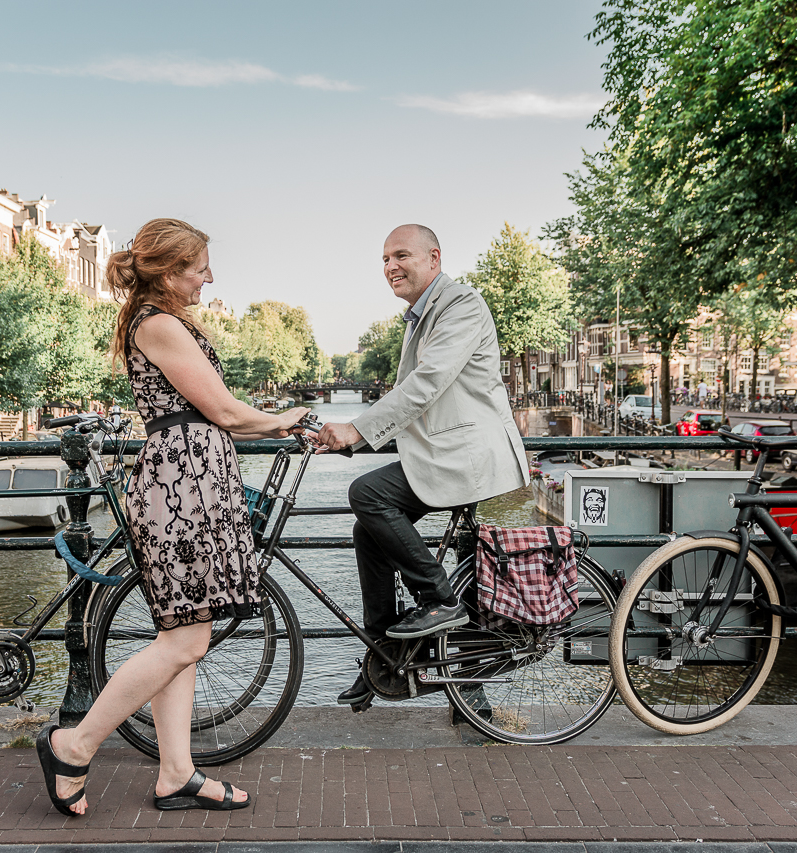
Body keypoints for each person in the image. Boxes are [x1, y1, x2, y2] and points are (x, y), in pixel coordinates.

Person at [35, 218, 308, 818]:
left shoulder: (162, 321)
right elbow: (224, 411)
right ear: (168, 271)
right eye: (200, 266)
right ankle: (73, 746)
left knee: (183, 636)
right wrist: (289, 419)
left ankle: (176, 773)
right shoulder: (158, 324)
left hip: (192, 483)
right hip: (181, 489)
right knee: (186, 638)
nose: (210, 276)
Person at [314, 224, 530, 706]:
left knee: (368, 495)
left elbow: (428, 383)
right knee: (367, 530)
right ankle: (384, 654)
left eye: (402, 255)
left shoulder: (460, 306)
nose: (391, 266)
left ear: (434, 258)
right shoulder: (420, 315)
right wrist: (351, 436)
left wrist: (357, 430)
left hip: (474, 459)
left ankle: (439, 601)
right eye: (385, 258)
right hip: (447, 453)